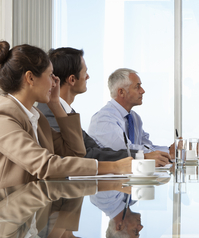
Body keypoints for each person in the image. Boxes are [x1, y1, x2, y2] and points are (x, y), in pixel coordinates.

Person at [0, 41, 131, 188]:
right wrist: (114, 167)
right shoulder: (4, 117)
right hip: (10, 208)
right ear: (30, 78)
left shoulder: (35, 116)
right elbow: (45, 165)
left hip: (35, 206)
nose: (54, 83)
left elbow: (75, 153)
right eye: (50, 75)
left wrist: (56, 105)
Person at [37, 48, 171, 166]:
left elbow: (95, 150)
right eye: (85, 72)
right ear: (72, 79)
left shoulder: (67, 111)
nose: (88, 76)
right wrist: (141, 158)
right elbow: (82, 155)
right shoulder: (49, 112)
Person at [88, 68, 173, 158]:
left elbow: (147, 146)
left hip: (132, 170)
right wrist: (168, 152)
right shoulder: (103, 119)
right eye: (137, 87)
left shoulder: (134, 117)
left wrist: (170, 150)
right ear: (121, 92)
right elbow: (126, 151)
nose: (142, 91)